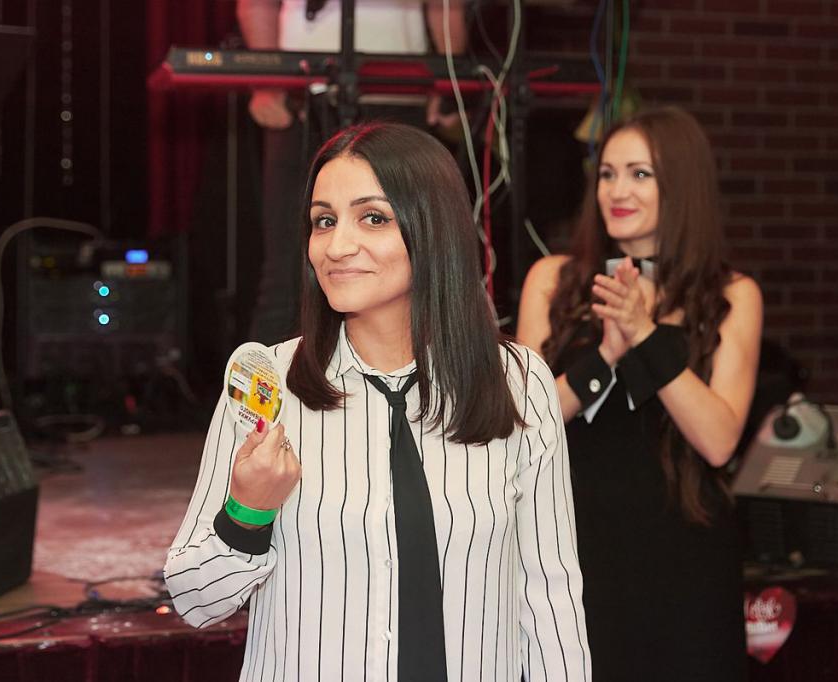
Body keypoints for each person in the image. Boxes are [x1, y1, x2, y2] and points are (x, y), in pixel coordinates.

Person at [166, 122, 590, 681]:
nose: (337, 246)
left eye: (373, 218)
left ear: (433, 227)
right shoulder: (269, 385)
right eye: (324, 221)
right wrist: (249, 511)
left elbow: (551, 598)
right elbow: (195, 600)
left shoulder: (518, 381)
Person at [516, 106, 762, 681]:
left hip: (683, 556)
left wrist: (645, 335)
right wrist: (604, 356)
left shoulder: (730, 294)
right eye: (607, 174)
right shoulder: (553, 279)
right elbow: (521, 424)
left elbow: (719, 440)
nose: (617, 190)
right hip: (572, 550)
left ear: (681, 184)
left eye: (639, 174)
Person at [236, 0, 467, 345]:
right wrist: (268, 83)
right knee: (288, 268)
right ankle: (275, 379)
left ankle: (429, 373)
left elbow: (445, 6)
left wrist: (448, 81)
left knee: (418, 257)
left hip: (401, 91)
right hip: (305, 96)